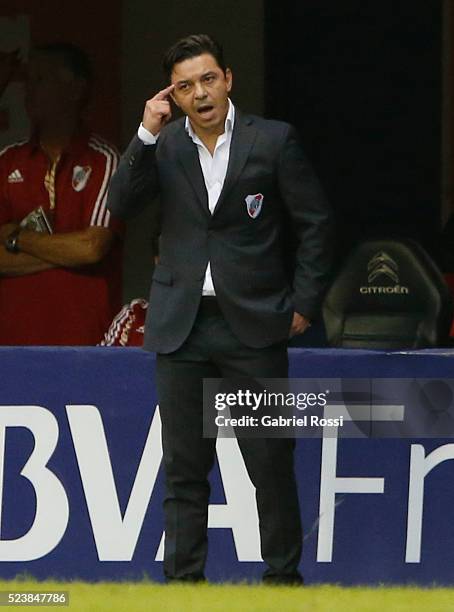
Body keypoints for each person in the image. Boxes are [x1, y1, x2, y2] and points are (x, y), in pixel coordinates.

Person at [107, 34, 333, 584]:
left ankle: (283, 582)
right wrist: (145, 131)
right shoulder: (166, 144)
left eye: (208, 79)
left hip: (253, 326)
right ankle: (183, 586)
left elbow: (316, 223)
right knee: (184, 469)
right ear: (173, 96)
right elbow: (119, 203)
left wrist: (303, 303)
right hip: (181, 326)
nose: (200, 93)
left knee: (269, 464)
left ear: (228, 79)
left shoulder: (273, 140)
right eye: (185, 86)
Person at [0, 43, 122, 345]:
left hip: (85, 346)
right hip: (12, 348)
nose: (28, 90)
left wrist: (16, 238)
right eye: (28, 80)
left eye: (41, 80)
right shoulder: (6, 161)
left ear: (76, 90)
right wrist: (67, 251)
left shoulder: (105, 159)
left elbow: (92, 247)